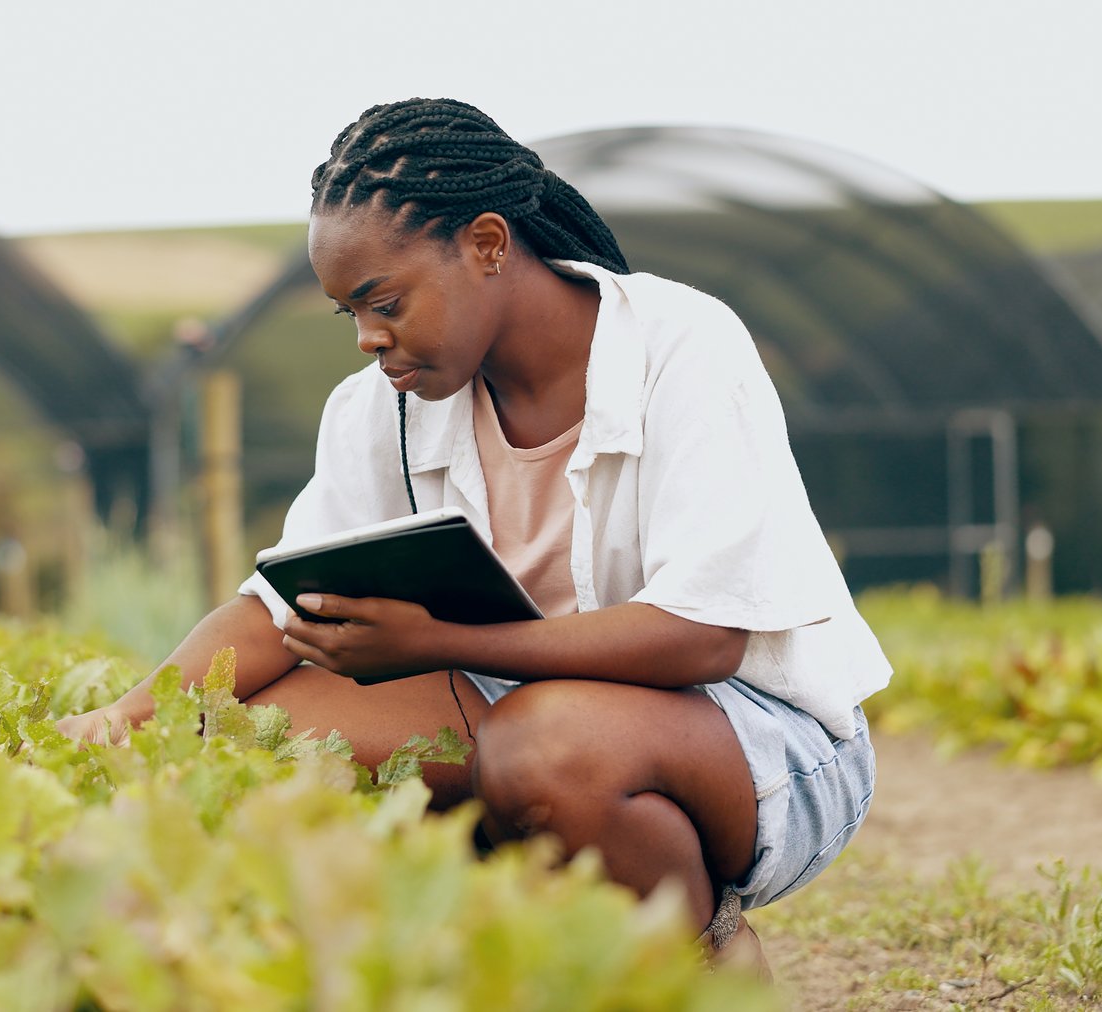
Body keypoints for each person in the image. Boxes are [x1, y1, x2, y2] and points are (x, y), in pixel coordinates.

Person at [57, 99, 891, 969]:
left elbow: (704, 635)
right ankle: (494, 949)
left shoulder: (680, 345)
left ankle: (703, 960)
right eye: (349, 313)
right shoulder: (380, 408)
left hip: (756, 739)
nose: (368, 339)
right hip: (508, 710)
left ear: (488, 245)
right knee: (253, 741)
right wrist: (132, 714)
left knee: (545, 748)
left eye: (383, 301)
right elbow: (276, 608)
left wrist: (437, 639)